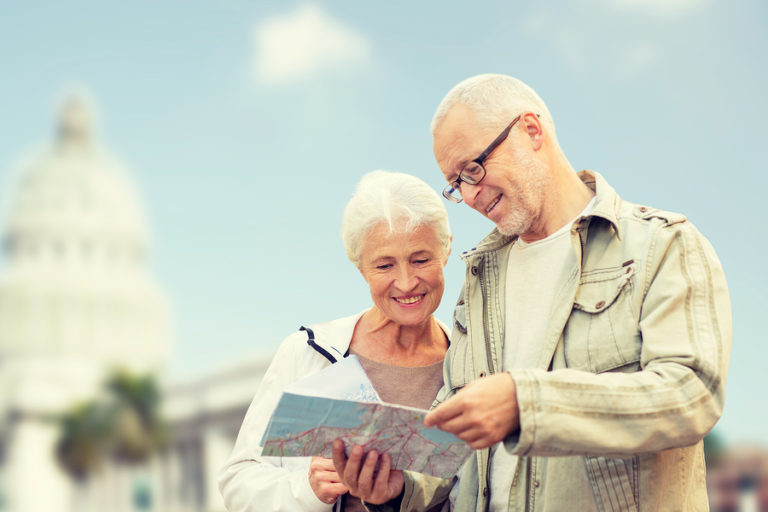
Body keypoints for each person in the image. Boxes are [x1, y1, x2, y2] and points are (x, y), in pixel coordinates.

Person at [333, 74, 732, 511]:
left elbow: (691, 395)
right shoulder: (480, 277)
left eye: (473, 169)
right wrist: (399, 489)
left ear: (531, 130)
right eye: (455, 183)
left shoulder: (661, 245)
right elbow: (455, 444)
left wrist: (527, 403)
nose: (468, 195)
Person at [218, 170, 453, 512]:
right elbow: (238, 481)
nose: (405, 283)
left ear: (446, 250)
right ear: (360, 268)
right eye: (384, 265)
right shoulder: (308, 354)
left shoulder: (469, 363)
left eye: (420, 260)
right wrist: (308, 489)